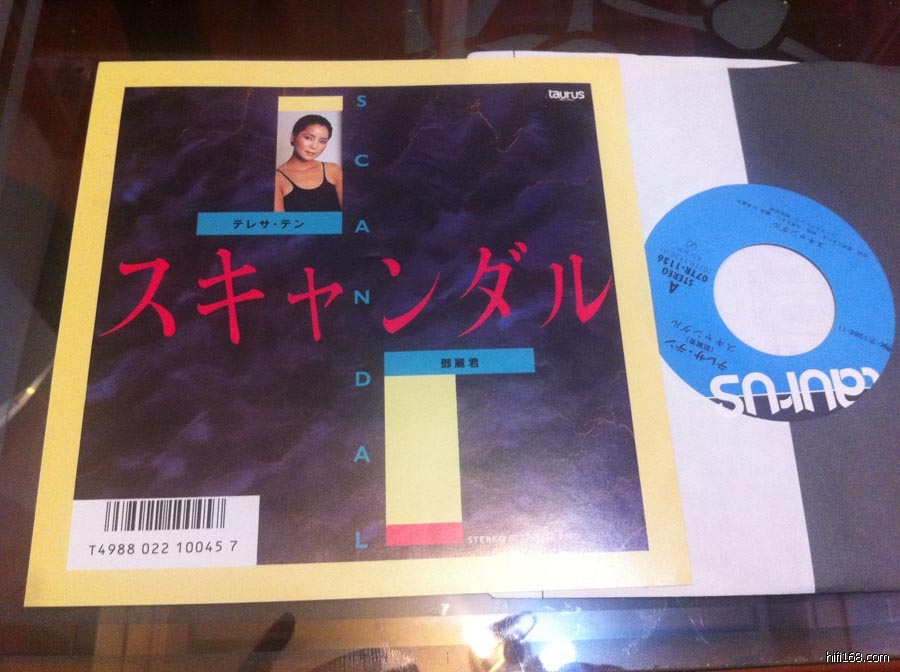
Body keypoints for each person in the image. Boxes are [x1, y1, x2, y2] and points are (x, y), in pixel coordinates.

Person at [274, 114, 343, 212]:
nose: (314, 146)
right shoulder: (277, 179)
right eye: (308, 138)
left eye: (322, 141)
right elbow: (279, 221)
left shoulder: (334, 170)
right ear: (293, 136)